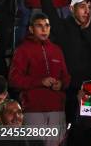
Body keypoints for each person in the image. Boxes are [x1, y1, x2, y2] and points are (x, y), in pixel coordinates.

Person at [9, 13, 70, 145]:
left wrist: (61, 83)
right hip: (33, 109)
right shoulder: (22, 50)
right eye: (39, 26)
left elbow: (66, 76)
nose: (44, 29)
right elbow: (14, 79)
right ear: (31, 29)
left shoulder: (56, 50)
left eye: (47, 25)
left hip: (56, 109)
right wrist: (40, 81)